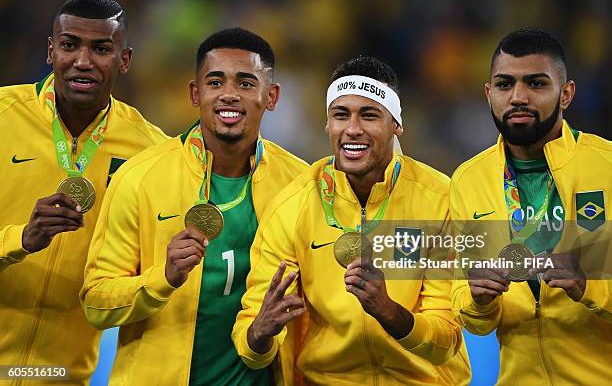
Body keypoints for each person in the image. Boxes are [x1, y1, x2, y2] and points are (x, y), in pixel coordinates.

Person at [80, 28, 308, 385]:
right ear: (194, 93)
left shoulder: (300, 186)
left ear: (272, 96)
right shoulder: (140, 177)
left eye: (246, 84)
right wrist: (163, 279)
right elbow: (96, 303)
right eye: (215, 82)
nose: (229, 95)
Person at [232, 56, 471, 385]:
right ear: (328, 125)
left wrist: (387, 310)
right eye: (340, 115)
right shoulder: (292, 206)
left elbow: (446, 341)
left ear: (396, 125)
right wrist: (259, 335)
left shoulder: (441, 201)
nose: (352, 129)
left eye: (369, 115)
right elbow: (250, 341)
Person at [0, 0, 167, 384]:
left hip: (62, 375)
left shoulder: (151, 152)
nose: (83, 61)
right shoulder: (3, 117)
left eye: (101, 48)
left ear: (124, 60)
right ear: (50, 51)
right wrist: (19, 240)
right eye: (70, 44)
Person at [450, 28, 612, 384]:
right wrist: (478, 300)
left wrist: (590, 286)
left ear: (566, 94)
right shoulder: (468, 180)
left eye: (536, 84)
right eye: (505, 85)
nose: (518, 97)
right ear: (489, 94)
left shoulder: (606, 167)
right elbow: (472, 317)